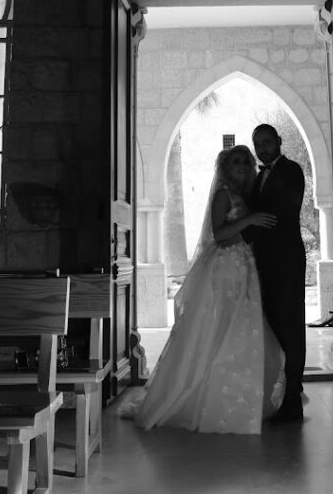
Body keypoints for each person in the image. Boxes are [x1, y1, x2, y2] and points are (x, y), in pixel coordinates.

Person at [118, 144, 285, 434]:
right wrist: (248, 221)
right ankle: (200, 399)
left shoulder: (245, 195)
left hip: (243, 266)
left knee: (242, 328)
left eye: (246, 162)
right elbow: (219, 235)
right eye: (236, 162)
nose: (243, 167)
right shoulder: (223, 195)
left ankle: (240, 398)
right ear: (225, 168)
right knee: (219, 329)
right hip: (225, 269)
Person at [249, 124, 306, 423]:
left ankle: (293, 399)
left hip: (287, 261)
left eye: (267, 142)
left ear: (279, 142)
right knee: (273, 329)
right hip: (264, 263)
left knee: (291, 328)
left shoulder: (291, 171)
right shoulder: (259, 177)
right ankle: (278, 395)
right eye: (257, 144)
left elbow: (283, 211)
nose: (262, 148)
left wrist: (247, 225)